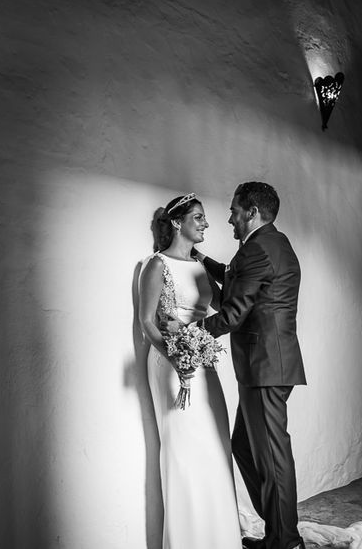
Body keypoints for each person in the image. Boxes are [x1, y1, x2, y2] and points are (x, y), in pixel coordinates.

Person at [171, 182, 306, 549]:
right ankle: (279, 529)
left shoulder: (258, 250)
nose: (228, 219)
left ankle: (286, 541)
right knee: (246, 447)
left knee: (273, 457)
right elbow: (237, 278)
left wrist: (187, 333)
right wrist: (201, 260)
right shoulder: (271, 243)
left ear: (251, 212)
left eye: (233, 211)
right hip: (269, 366)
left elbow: (231, 314)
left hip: (265, 368)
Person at [138, 192, 243, 549]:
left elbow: (225, 305)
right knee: (183, 448)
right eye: (198, 217)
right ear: (177, 223)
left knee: (214, 444)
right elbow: (147, 322)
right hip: (170, 365)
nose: (206, 223)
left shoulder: (199, 267)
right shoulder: (156, 265)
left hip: (202, 360)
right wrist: (176, 358)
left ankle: (220, 539)